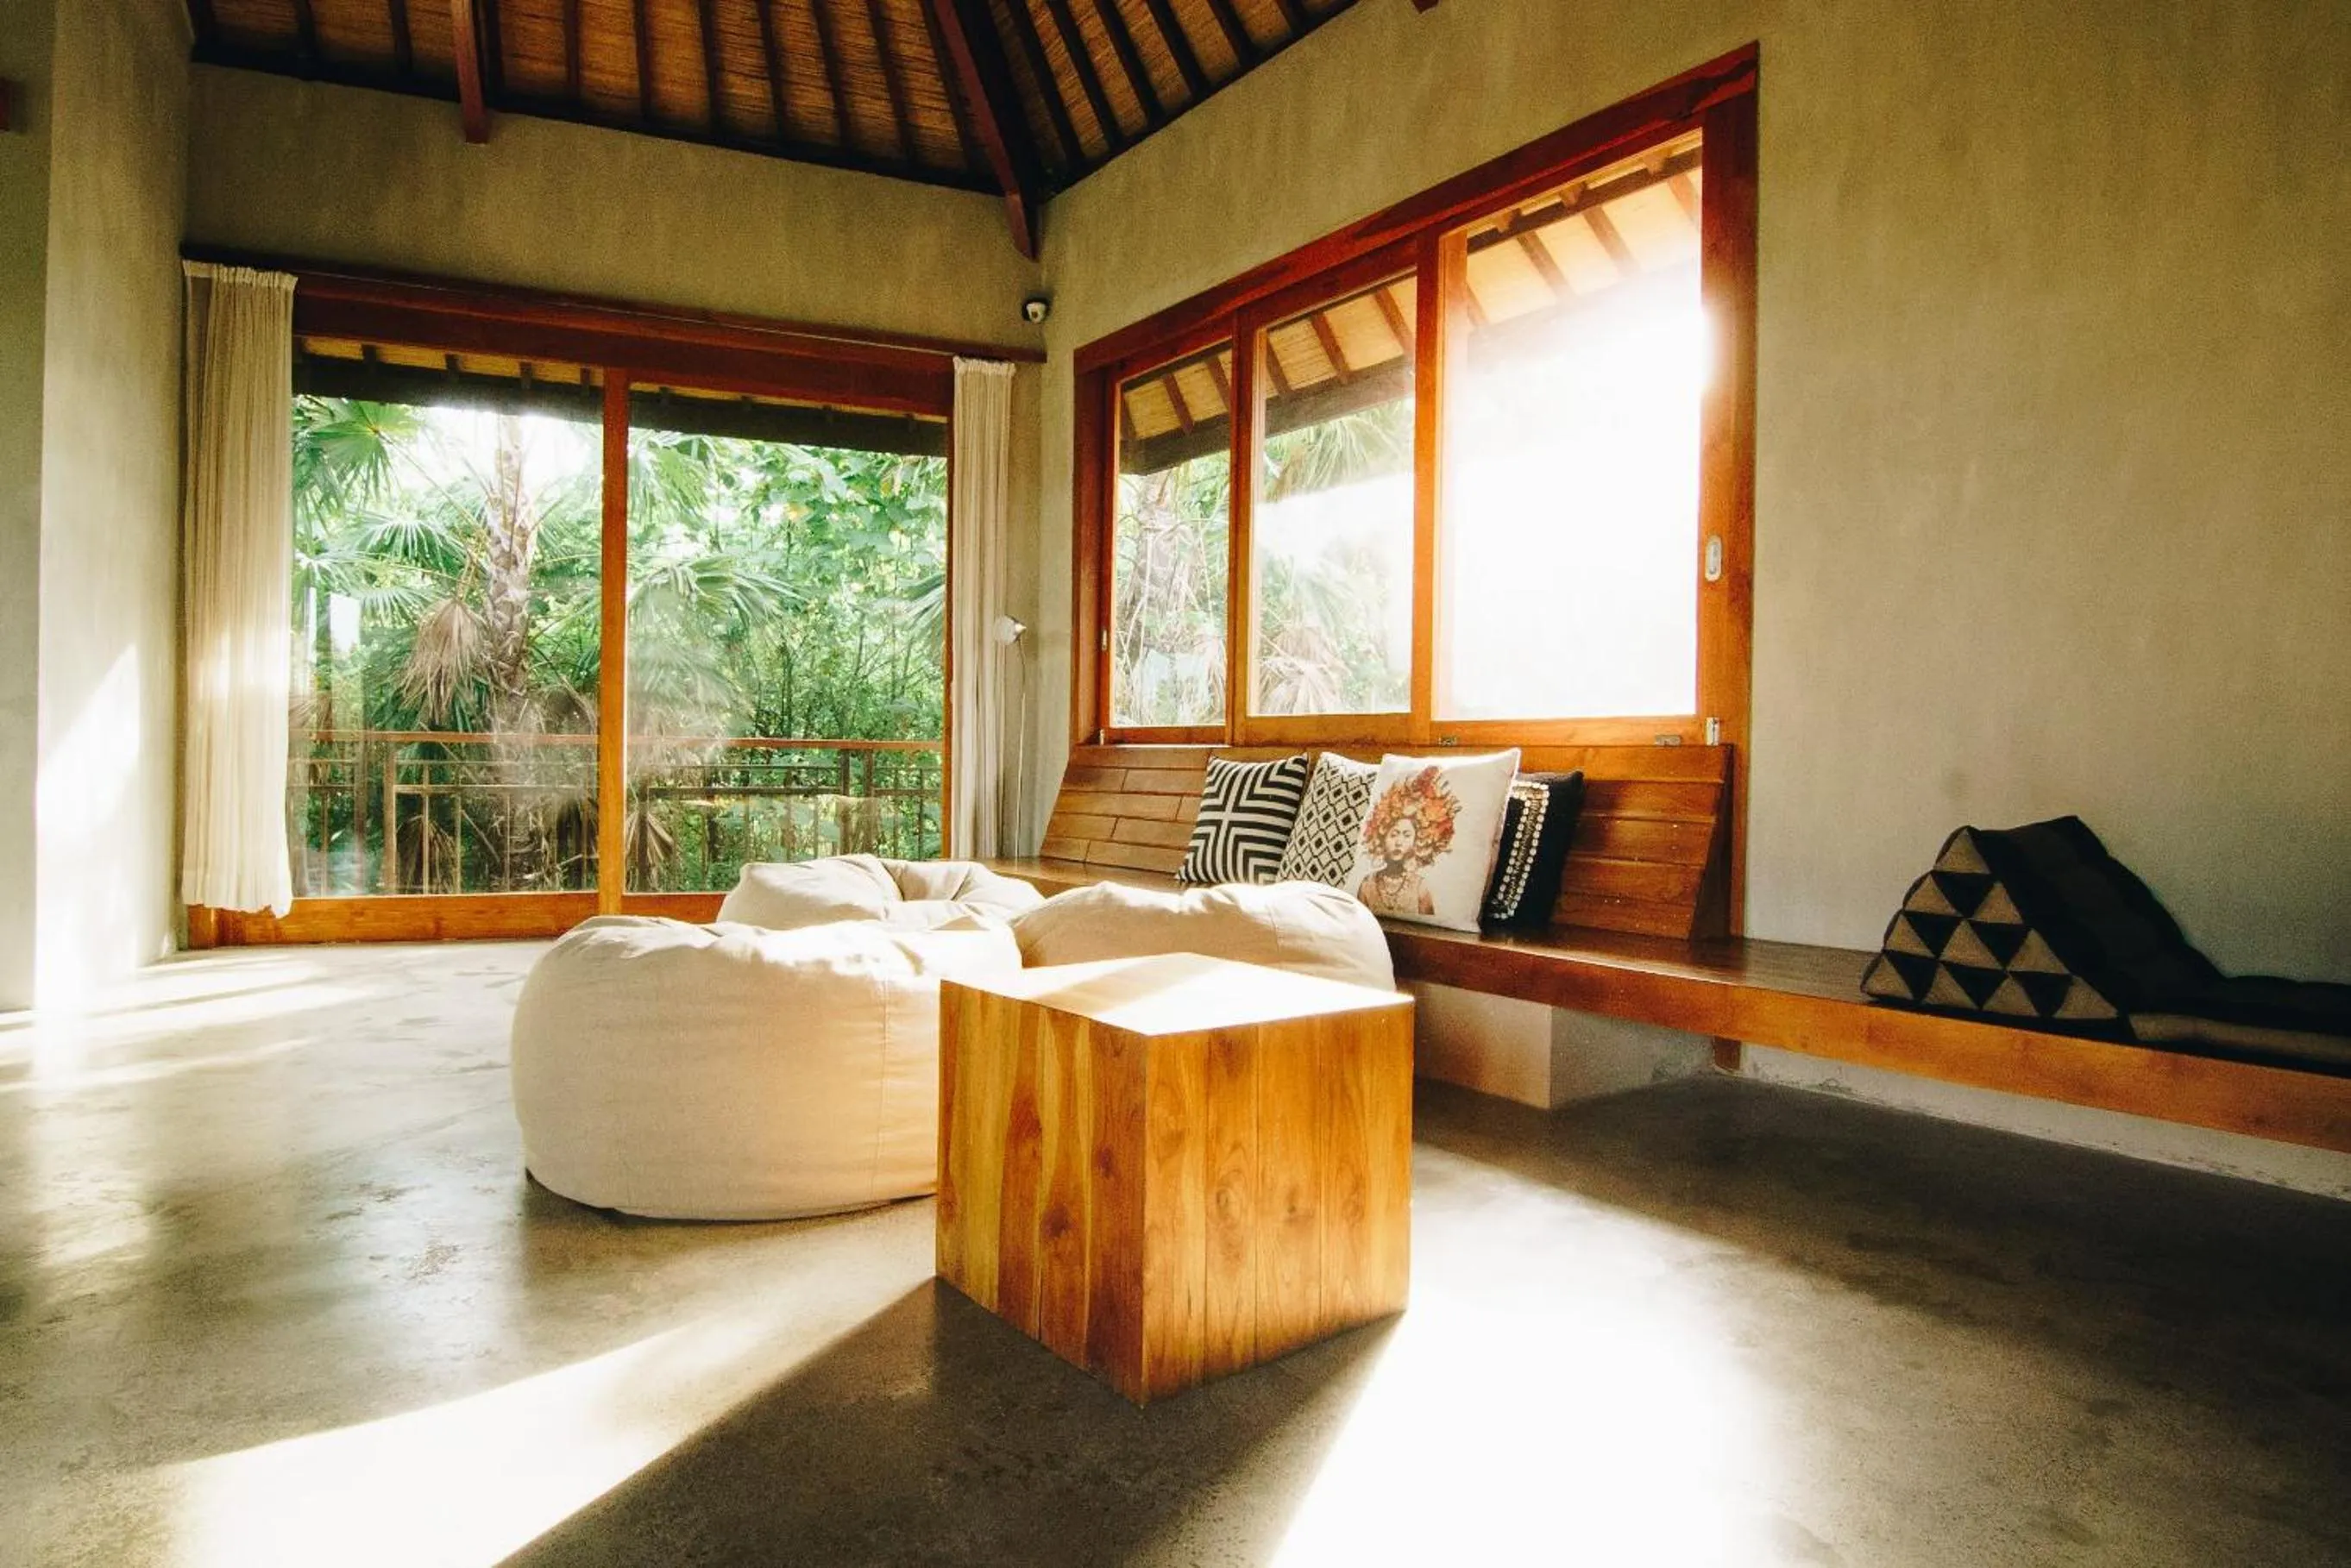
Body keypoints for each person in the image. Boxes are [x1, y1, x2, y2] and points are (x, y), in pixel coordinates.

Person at [1356, 767, 1458, 917]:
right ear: (1381, 838)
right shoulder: (1367, 884)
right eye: (1394, 834)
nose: (1399, 842)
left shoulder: (1420, 888)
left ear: (1418, 841)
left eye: (1406, 835)